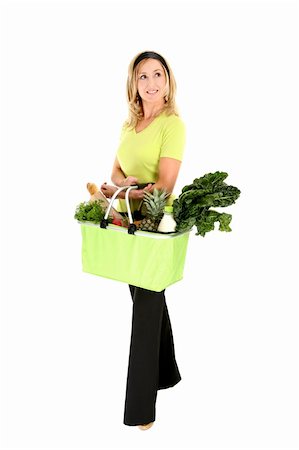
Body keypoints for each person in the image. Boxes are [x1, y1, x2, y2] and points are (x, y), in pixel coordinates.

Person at [100, 50, 186, 430]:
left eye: (158, 75)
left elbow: (164, 187)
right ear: (133, 84)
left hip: (154, 226)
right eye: (143, 76)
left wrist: (125, 191)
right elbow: (117, 169)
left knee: (145, 309)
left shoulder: (173, 125)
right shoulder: (129, 123)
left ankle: (141, 412)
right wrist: (123, 187)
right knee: (144, 295)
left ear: (168, 81)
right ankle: (165, 374)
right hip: (126, 222)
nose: (151, 83)